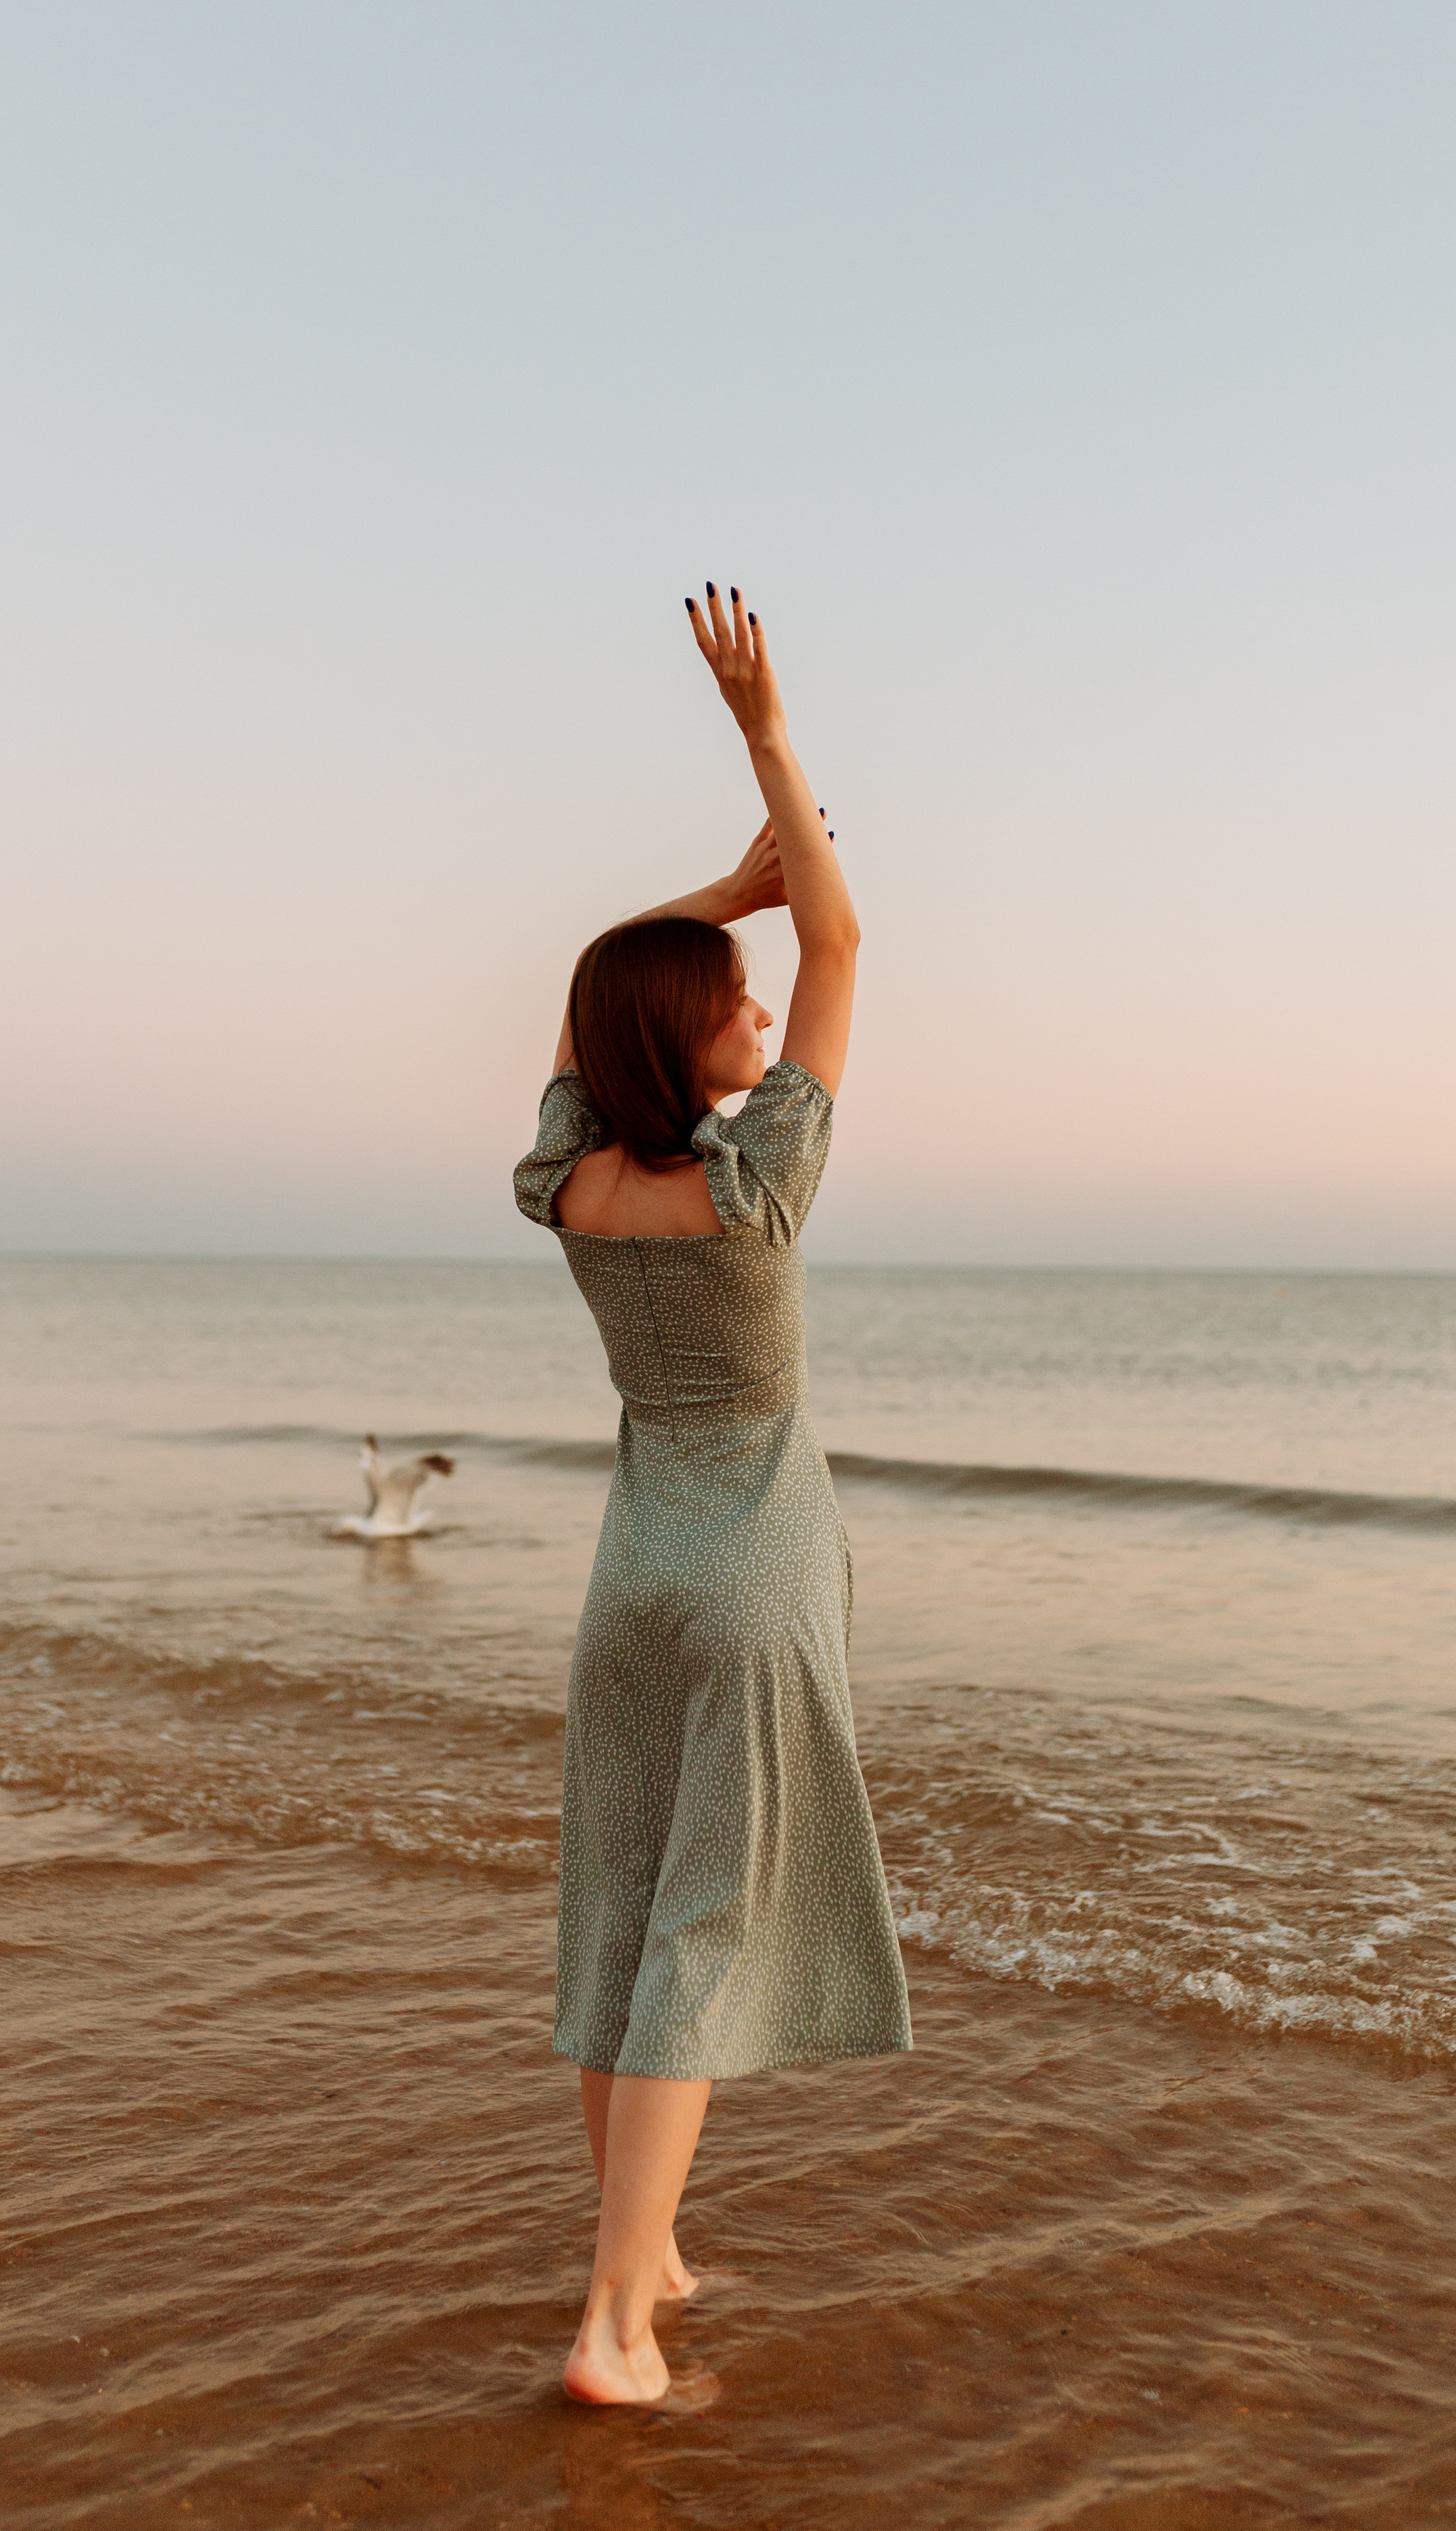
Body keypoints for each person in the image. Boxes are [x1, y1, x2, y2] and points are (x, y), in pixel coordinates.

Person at [513, 583, 912, 2407]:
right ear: (697, 1050)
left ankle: (645, 2252)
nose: (762, 1002)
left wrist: (710, 900)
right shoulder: (753, 1194)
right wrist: (766, 745)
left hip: (634, 1580)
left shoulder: (576, 1183)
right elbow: (849, 943)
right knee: (701, 1930)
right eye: (733, 1002)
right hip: (750, 1572)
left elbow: (603, 1008)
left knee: (619, 1907)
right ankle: (610, 2324)